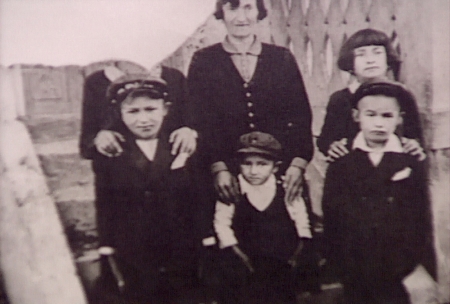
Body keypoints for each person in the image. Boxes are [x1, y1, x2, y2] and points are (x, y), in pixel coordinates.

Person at [187, 0, 313, 207]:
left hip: (279, 170)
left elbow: (300, 116)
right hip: (227, 175)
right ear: (221, 13)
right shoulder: (204, 61)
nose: (241, 17)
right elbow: (201, 120)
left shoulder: (281, 58)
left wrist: (297, 165)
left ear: (259, 12)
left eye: (248, 7)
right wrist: (219, 168)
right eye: (233, 8)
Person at [322, 80, 433, 304]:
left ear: (399, 118)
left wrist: (406, 262)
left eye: (387, 116)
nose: (379, 124)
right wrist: (342, 263)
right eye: (371, 115)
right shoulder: (342, 161)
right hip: (354, 266)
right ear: (356, 116)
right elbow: (332, 215)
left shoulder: (410, 160)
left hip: (395, 266)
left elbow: (420, 216)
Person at [91, 74, 197, 303]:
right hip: (134, 250)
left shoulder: (179, 143)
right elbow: (105, 201)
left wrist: (206, 238)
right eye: (133, 112)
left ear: (166, 109)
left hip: (180, 248)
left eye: (151, 109)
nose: (144, 119)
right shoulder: (112, 150)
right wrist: (107, 245)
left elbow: (198, 197)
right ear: (119, 113)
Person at [213, 131, 316, 304]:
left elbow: (301, 219)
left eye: (262, 164)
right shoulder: (233, 189)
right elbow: (221, 224)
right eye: (247, 164)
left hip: (281, 261)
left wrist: (300, 247)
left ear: (275, 167)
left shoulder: (285, 188)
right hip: (245, 261)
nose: (253, 171)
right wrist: (235, 251)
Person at [317, 28, 425, 162]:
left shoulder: (402, 96)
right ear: (351, 64)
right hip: (351, 170)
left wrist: (413, 144)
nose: (370, 60)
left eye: (377, 53)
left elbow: (415, 136)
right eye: (361, 55)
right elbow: (325, 140)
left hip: (393, 168)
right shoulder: (340, 99)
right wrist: (332, 146)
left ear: (388, 60)